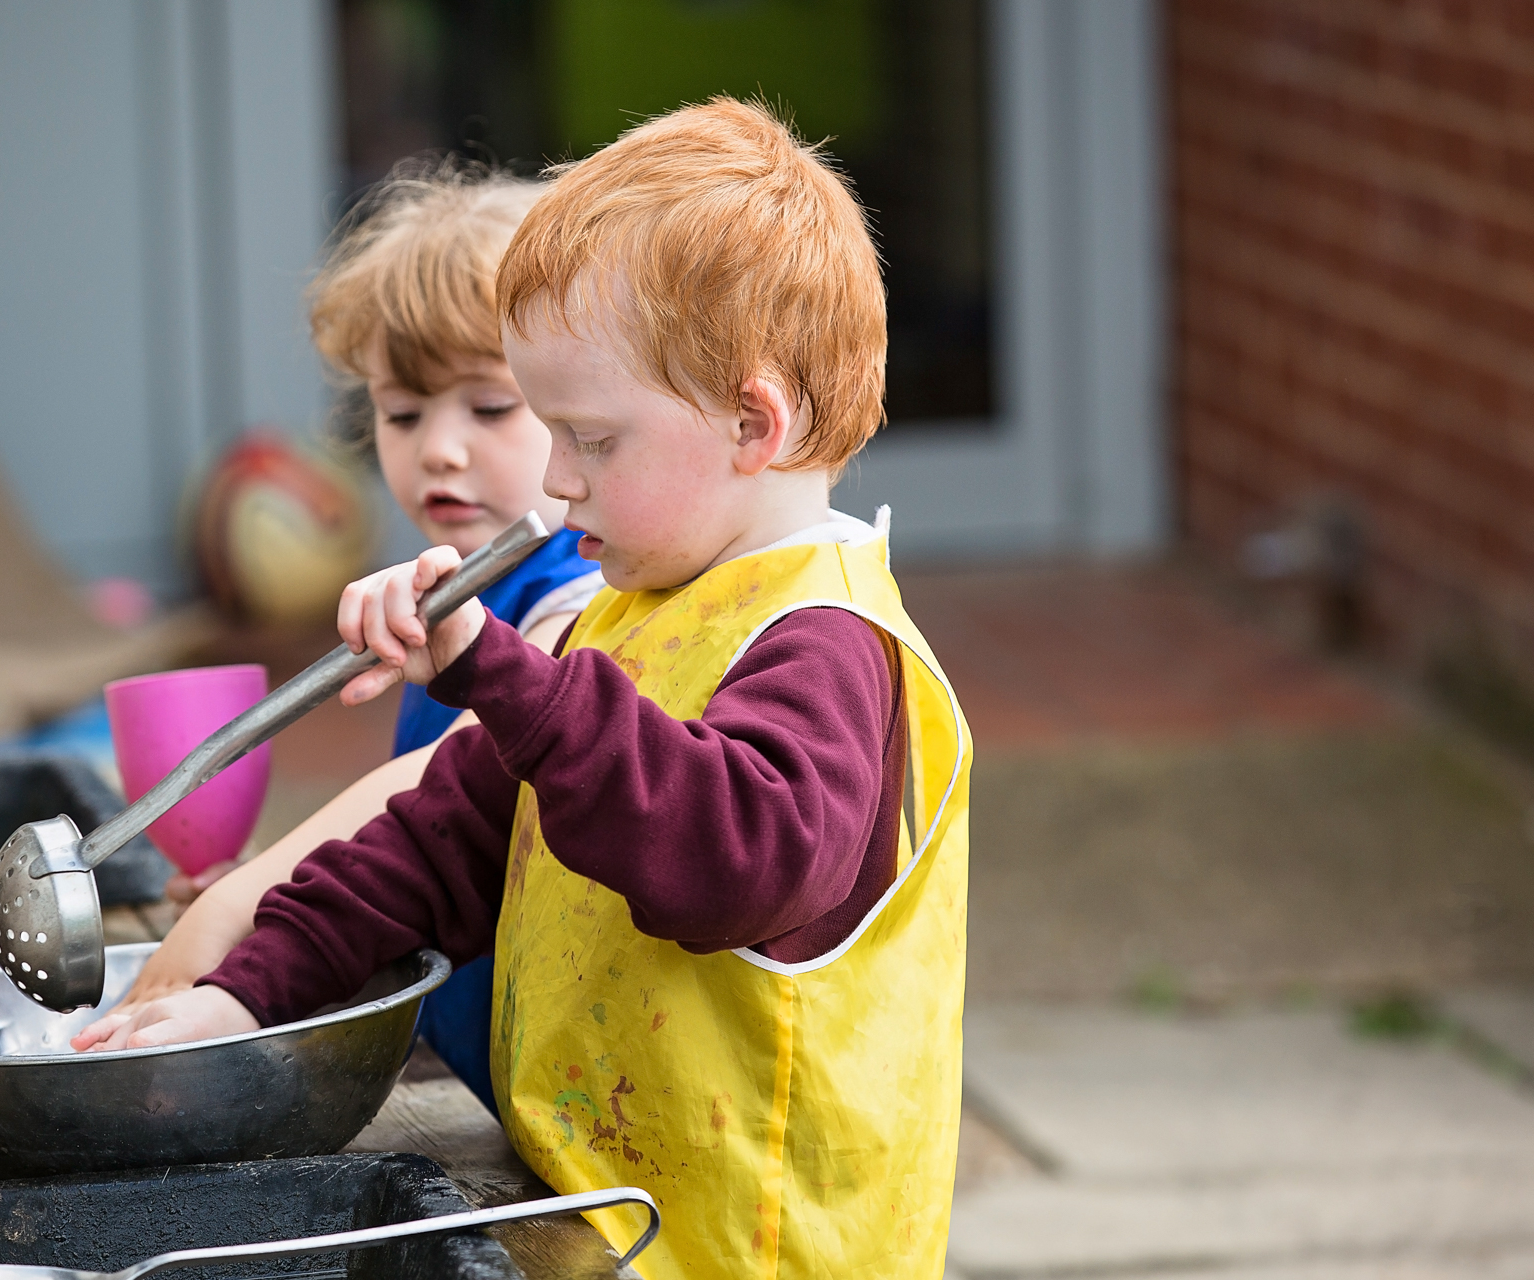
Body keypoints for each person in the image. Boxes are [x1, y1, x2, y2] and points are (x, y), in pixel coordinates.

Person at [78, 99, 971, 1280]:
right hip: (606, 1217)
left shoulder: (830, 645)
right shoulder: (638, 609)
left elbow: (736, 859)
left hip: (748, 1250)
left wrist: (506, 676)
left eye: (591, 439)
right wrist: (246, 997)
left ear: (754, 422)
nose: (555, 477)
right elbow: (439, 842)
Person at [74, 162, 602, 1114]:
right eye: (401, 412)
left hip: (566, 1094)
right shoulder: (454, 584)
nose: (438, 447)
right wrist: (296, 898)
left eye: (489, 407)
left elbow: (439, 784)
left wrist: (247, 907)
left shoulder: (585, 598)